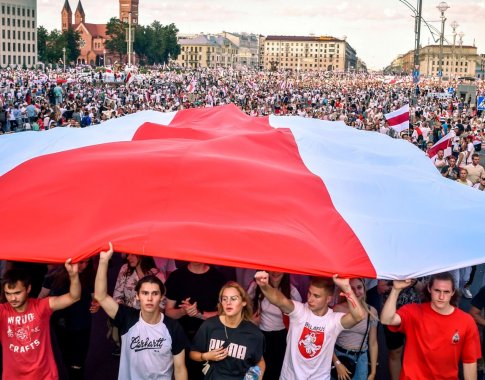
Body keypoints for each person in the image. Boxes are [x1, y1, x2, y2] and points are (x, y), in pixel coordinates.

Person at [94, 242, 189, 380]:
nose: (149, 298)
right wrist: (103, 261)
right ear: (138, 296)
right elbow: (101, 296)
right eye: (145, 293)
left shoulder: (173, 328)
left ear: (161, 297)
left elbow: (180, 369)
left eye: (154, 294)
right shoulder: (127, 318)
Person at [254, 272, 365, 379]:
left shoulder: (334, 320)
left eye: (316, 296)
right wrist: (264, 286)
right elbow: (280, 300)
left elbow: (358, 316)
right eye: (309, 293)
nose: (310, 299)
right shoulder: (299, 311)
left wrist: (347, 288)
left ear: (328, 299)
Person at [381, 272, 481, 380]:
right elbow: (386, 319)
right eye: (437, 290)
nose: (441, 297)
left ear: (453, 292)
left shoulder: (466, 322)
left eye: (446, 292)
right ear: (429, 289)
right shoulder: (413, 311)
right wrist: (396, 290)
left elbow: (470, 362)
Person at [0, 258, 81, 380]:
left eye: (17, 293)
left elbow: (74, 297)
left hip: (44, 375)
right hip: (13, 377)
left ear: (28, 289)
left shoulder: (41, 307)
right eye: (8, 293)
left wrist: (73, 275)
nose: (12, 299)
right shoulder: (3, 311)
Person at [190, 281, 265, 379]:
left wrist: (253, 378)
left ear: (243, 302)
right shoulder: (210, 325)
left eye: (233, 299)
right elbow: (193, 354)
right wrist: (206, 356)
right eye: (224, 299)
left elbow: (260, 362)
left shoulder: (254, 333)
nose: (228, 302)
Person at [38, 258, 98, 380]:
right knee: (66, 356)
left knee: (78, 362)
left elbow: (95, 296)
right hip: (61, 323)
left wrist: (96, 303)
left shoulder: (89, 275)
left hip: (82, 322)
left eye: (87, 262)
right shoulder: (53, 276)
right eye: (81, 262)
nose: (85, 266)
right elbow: (41, 297)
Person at [165, 262, 226, 379]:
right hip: (182, 337)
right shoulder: (176, 276)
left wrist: (199, 314)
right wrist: (183, 311)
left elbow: (226, 312)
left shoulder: (218, 277)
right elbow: (168, 312)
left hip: (211, 337)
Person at [248, 271, 302, 379]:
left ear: (285, 272)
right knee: (262, 369)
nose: (275, 273)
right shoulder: (257, 285)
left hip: (282, 336)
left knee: (278, 369)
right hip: (262, 334)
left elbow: (300, 315)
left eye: (279, 270)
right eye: (272, 269)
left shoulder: (291, 291)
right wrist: (251, 320)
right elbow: (244, 303)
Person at [331, 278, 379, 380]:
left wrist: (373, 371)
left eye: (359, 287)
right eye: (352, 289)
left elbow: (373, 342)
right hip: (340, 355)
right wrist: (337, 362)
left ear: (364, 289)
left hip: (361, 359)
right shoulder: (337, 309)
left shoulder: (372, 312)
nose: (356, 292)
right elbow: (328, 341)